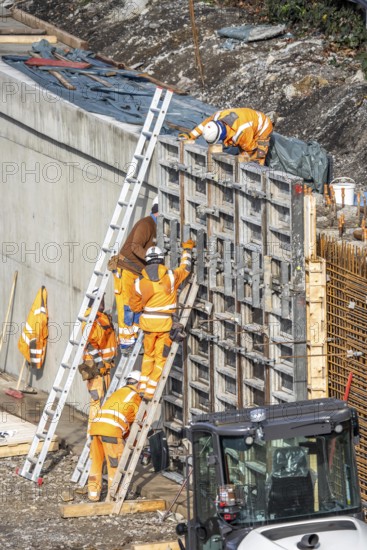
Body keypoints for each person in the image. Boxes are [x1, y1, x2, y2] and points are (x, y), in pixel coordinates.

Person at [129, 241, 194, 400]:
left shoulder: (138, 283)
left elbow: (135, 307)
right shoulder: (170, 277)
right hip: (165, 326)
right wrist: (186, 250)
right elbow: (185, 268)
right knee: (161, 358)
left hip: (148, 327)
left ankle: (142, 387)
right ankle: (150, 391)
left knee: (148, 356)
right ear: (161, 259)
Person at [108, 197, 159, 354]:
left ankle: (133, 337)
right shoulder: (146, 224)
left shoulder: (154, 227)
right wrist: (151, 258)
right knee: (126, 306)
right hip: (127, 270)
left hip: (136, 273)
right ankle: (126, 342)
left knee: (135, 305)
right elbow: (135, 245)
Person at [88, 370, 142, 502]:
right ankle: (115, 495)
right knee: (115, 465)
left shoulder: (118, 392)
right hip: (111, 432)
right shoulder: (135, 397)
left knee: (96, 463)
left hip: (95, 430)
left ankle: (93, 494)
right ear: (139, 384)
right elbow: (138, 420)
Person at [180, 108, 273, 165]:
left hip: (263, 126)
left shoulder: (241, 132)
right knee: (242, 155)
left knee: (259, 155)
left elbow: (251, 149)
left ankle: (259, 177)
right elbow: (203, 126)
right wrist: (190, 136)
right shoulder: (217, 117)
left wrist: (244, 158)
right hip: (248, 121)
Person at [78, 293, 117, 431]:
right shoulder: (91, 319)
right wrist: (100, 363)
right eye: (101, 300)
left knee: (102, 398)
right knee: (97, 400)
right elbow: (91, 345)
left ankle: (98, 431)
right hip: (96, 367)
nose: (104, 303)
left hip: (104, 367)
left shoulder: (100, 316)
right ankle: (94, 434)